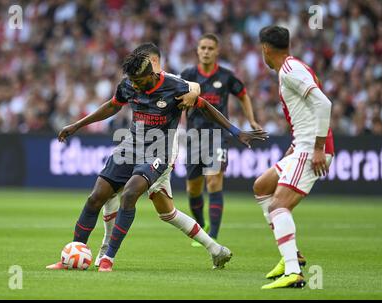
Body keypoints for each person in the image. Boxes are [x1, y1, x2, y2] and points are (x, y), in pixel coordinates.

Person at [47, 51, 267, 272]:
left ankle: (108, 259)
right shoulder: (128, 85)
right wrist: (76, 125)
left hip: (158, 151)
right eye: (132, 82)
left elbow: (206, 107)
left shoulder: (174, 87)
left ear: (151, 75)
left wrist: (236, 131)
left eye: (139, 81)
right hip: (130, 146)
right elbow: (113, 106)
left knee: (131, 193)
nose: (136, 86)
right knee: (96, 198)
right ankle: (73, 254)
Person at [94, 43, 203, 266]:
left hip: (163, 151)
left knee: (163, 210)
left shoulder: (170, 81)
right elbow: (115, 104)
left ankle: (107, 252)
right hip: (139, 146)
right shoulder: (136, 83)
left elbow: (196, 87)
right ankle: (105, 250)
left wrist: (192, 93)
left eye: (151, 62)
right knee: (114, 195)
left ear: (156, 62)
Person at [254, 26, 334, 289]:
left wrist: (319, 147)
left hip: (311, 149)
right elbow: (307, 111)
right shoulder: (290, 68)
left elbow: (324, 104)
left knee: (278, 206)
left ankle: (293, 272)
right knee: (262, 186)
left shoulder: (290, 71)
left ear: (266, 48)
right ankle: (293, 257)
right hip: (302, 145)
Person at [180, 33, 262, 244]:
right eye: (203, 48)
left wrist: (251, 120)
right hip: (193, 136)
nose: (206, 51)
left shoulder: (227, 76)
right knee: (193, 188)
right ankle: (202, 226)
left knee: (214, 181)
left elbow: (243, 94)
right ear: (197, 51)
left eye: (210, 48)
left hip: (218, 135)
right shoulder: (187, 75)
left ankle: (212, 236)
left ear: (217, 51)